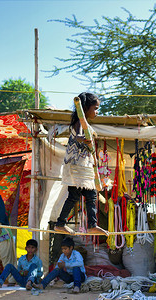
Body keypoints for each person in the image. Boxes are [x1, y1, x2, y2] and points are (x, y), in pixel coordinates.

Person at [54, 92, 107, 236]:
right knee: (75, 196)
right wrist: (84, 140)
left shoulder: (84, 123)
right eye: (95, 108)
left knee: (91, 196)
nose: (96, 112)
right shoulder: (79, 122)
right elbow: (77, 136)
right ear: (85, 107)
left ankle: (91, 225)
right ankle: (61, 224)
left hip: (83, 167)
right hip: (77, 166)